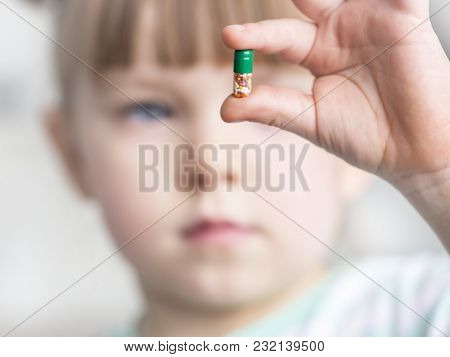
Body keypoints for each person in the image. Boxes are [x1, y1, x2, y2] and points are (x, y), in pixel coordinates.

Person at [44, 0, 450, 336]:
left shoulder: (418, 313)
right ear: (72, 155)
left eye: (270, 108)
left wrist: (437, 172)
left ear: (353, 154)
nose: (212, 163)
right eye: (150, 110)